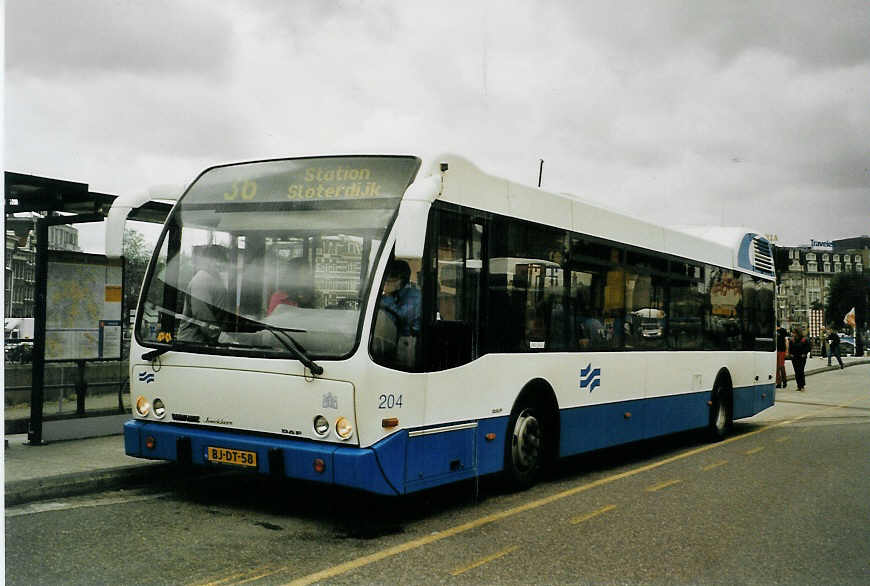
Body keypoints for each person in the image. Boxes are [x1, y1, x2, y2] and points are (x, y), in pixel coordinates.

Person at [177, 245, 230, 343]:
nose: (223, 265)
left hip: (206, 341)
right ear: (209, 261)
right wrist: (219, 337)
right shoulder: (202, 280)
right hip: (194, 343)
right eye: (220, 260)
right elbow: (202, 315)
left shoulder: (215, 279)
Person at [380, 259, 421, 366]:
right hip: (394, 338)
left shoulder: (414, 295)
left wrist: (387, 299)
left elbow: (402, 316)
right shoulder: (394, 294)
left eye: (389, 281)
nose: (385, 284)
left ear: (400, 281)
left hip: (411, 341)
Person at [788, 327, 810, 391]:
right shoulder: (792, 340)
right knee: (796, 371)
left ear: (797, 333)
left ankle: (802, 385)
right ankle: (798, 385)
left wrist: (804, 353)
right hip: (794, 357)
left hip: (801, 357)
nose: (793, 334)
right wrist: (791, 354)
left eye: (794, 333)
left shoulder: (804, 339)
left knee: (801, 371)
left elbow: (808, 347)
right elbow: (790, 348)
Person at [775, 324, 789, 388]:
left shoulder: (783, 331)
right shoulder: (773, 331)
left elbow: (786, 341)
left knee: (781, 366)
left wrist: (787, 351)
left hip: (781, 350)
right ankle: (779, 383)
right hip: (776, 350)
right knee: (777, 367)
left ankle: (784, 381)